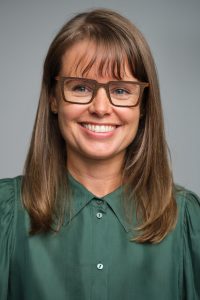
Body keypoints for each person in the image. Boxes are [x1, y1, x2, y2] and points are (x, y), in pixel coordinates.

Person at [0, 8, 199, 300]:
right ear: (54, 97)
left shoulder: (187, 221)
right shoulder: (6, 215)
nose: (101, 108)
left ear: (143, 105)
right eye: (81, 87)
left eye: (120, 90)